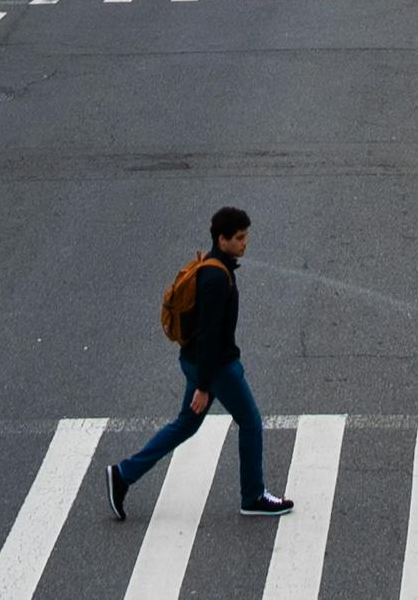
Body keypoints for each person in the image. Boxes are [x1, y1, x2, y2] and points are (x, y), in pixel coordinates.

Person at [107, 206, 291, 520]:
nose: (245, 243)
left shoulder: (213, 266)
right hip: (216, 367)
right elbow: (208, 335)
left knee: (185, 425)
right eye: (239, 238)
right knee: (250, 422)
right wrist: (204, 387)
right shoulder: (216, 279)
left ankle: (123, 475)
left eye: (245, 236)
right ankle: (253, 496)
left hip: (197, 362)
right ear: (222, 239)